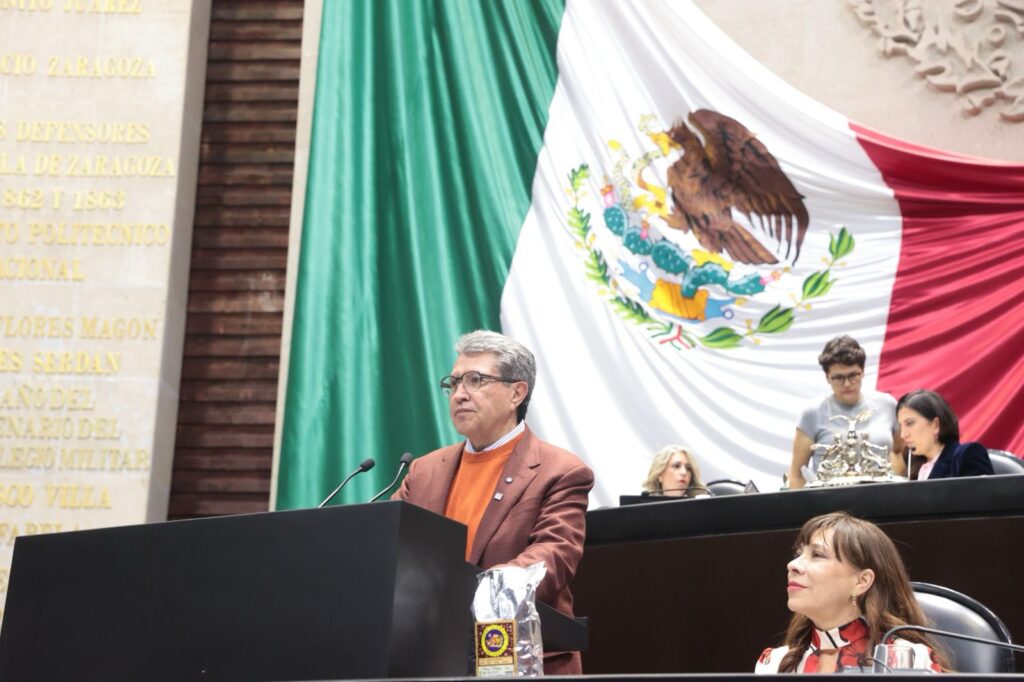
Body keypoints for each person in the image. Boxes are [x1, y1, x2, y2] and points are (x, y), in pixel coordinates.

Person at [393, 330, 594, 675]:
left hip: (515, 657)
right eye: (454, 383)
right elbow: (390, 544)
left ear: (517, 393)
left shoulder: (560, 471)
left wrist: (479, 590)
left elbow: (554, 553)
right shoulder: (425, 470)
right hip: (430, 657)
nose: (460, 394)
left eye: (475, 380)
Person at [755, 512, 947, 674]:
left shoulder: (908, 660)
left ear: (861, 582)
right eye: (798, 554)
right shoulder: (775, 664)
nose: (792, 565)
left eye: (817, 555)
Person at [789, 336, 902, 488]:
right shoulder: (813, 413)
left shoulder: (887, 405)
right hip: (829, 500)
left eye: (853, 375)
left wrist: (893, 486)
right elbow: (797, 474)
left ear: (863, 372)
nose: (847, 384)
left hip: (882, 497)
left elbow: (900, 452)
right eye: (838, 378)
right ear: (827, 378)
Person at [895, 389, 993, 480]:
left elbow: (985, 493)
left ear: (936, 425)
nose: (903, 435)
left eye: (910, 423)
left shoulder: (967, 455)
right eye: (900, 426)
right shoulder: (913, 464)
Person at [642, 445, 708, 497]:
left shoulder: (701, 507)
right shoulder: (644, 507)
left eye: (688, 468)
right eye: (676, 466)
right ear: (660, 475)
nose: (684, 472)